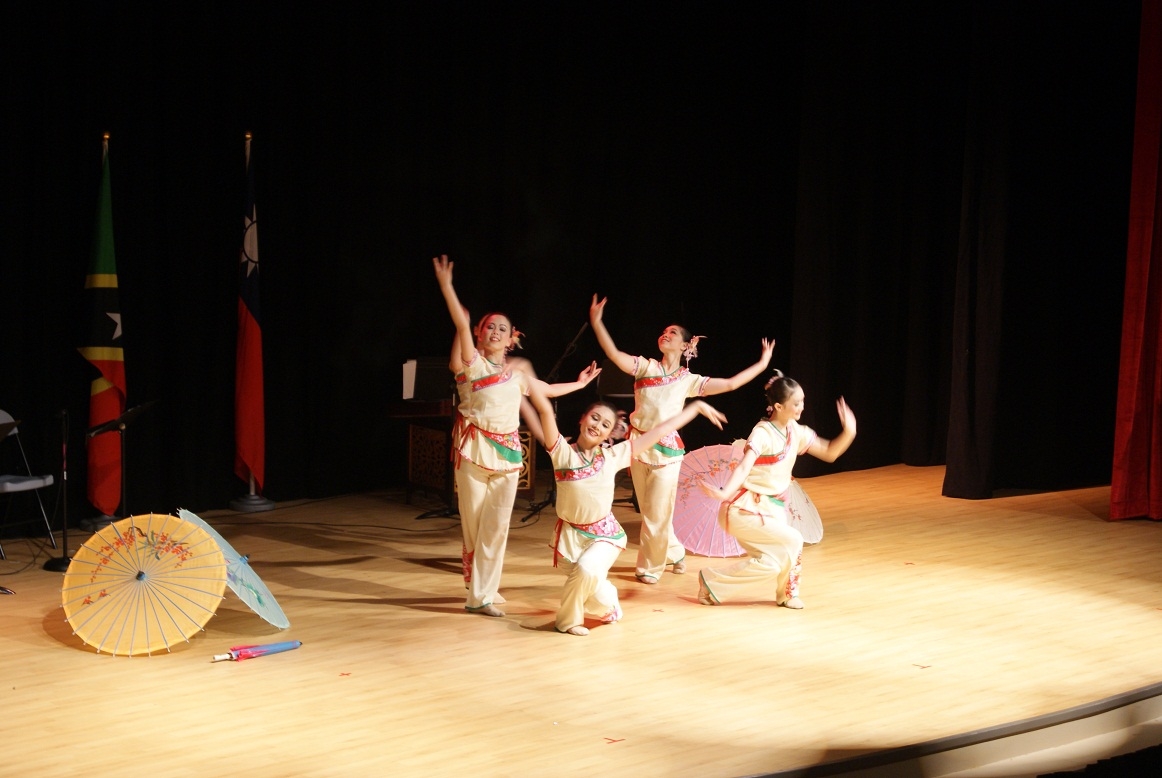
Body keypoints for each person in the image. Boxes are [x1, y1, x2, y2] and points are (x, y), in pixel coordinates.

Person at [434, 255, 599, 617]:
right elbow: (461, 324)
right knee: (475, 526)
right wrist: (447, 286)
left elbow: (548, 390)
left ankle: (481, 593)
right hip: (475, 450)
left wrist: (581, 383)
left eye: (502, 329)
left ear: (512, 339)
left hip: (508, 455)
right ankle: (480, 586)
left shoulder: (517, 376)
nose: (495, 332)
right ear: (480, 334)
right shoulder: (471, 364)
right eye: (490, 327)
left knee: (496, 527)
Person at [589, 294, 775, 584]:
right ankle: (674, 551)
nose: (665, 335)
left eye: (672, 333)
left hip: (668, 454)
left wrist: (762, 364)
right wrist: (597, 322)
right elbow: (613, 353)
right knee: (652, 511)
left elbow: (730, 383)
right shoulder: (646, 367)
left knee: (657, 514)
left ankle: (650, 568)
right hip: (638, 447)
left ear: (686, 345)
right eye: (664, 332)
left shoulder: (688, 380)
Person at [526, 377, 727, 635]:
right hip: (569, 535)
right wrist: (526, 382)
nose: (598, 426)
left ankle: (567, 621)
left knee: (587, 569)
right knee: (587, 579)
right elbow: (543, 409)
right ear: (582, 419)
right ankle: (609, 605)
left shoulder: (613, 456)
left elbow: (658, 431)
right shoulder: (562, 453)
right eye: (594, 418)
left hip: (604, 536)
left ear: (610, 434)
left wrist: (695, 408)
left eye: (606, 425)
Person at [697, 371, 856, 608]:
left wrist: (850, 432)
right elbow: (742, 468)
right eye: (796, 403)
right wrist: (723, 492)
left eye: (802, 401)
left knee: (773, 563)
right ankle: (788, 594)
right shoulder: (762, 433)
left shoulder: (796, 432)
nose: (801, 408)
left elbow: (830, 452)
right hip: (743, 509)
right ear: (779, 406)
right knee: (794, 539)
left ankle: (712, 583)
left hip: (770, 510)